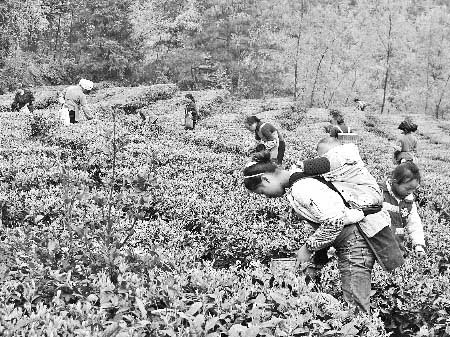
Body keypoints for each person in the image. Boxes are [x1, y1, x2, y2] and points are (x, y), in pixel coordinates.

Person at [243, 153, 394, 312]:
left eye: (261, 191)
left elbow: (334, 221)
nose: (266, 196)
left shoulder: (301, 187)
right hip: (351, 242)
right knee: (354, 303)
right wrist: (317, 258)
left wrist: (308, 248)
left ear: (266, 179)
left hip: (355, 243)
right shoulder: (298, 181)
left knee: (356, 307)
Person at [380, 162, 426, 256]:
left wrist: (418, 245)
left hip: (396, 248)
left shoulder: (408, 202)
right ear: (394, 181)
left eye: (413, 189)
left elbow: (414, 223)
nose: (410, 192)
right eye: (408, 188)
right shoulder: (379, 193)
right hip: (377, 247)